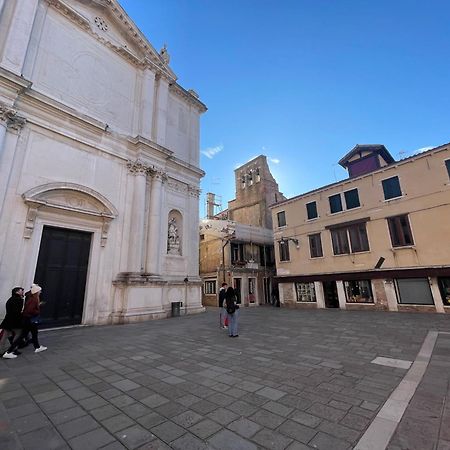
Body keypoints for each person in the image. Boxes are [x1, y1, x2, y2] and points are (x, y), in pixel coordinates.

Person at [4, 284, 47, 358]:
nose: (40, 292)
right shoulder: (33, 299)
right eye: (39, 291)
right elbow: (29, 310)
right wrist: (37, 311)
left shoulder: (30, 297)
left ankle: (37, 347)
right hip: (30, 320)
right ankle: (9, 351)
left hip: (28, 320)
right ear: (36, 292)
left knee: (34, 334)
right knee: (22, 336)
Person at [1, 287, 25, 358]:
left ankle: (1, 350)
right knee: (18, 334)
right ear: (17, 292)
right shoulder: (19, 300)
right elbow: (17, 312)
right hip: (15, 321)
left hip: (7, 320)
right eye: (21, 291)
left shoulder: (10, 299)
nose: (22, 292)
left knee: (5, 336)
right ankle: (13, 349)